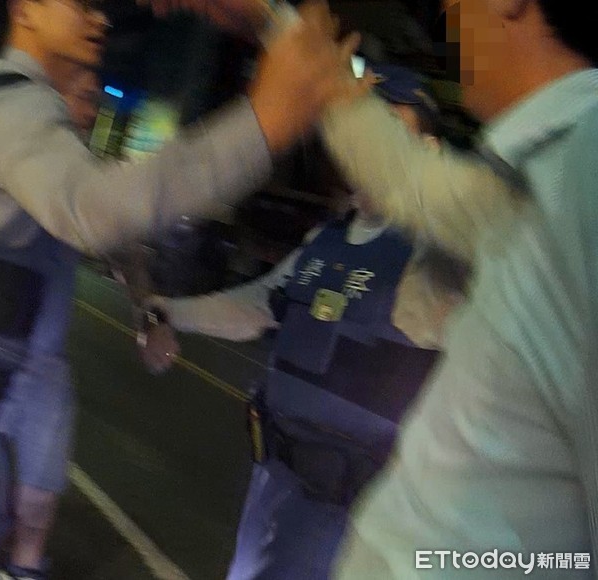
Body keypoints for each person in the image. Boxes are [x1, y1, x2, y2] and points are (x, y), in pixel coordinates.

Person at [0, 1, 357, 579]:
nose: (100, 19)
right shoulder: (12, 104)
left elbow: (96, 232)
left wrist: (148, 306)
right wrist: (265, 120)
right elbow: (92, 210)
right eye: (80, 4)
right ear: (25, 9)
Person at [138, 65, 461, 580]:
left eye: (391, 134)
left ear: (428, 151)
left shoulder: (435, 256)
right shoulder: (325, 242)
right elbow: (259, 305)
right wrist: (170, 311)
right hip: (276, 485)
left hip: (353, 516)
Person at [315, 0, 598, 576]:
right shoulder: (546, 171)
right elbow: (405, 179)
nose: (447, 10)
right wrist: (275, 25)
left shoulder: (583, 173)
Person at [0, 65, 105, 580]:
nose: (90, 111)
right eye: (81, 96)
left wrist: (148, 305)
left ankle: (22, 569)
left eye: (95, 102)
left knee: (36, 504)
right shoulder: (12, 154)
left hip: (44, 370)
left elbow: (122, 240)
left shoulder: (80, 176)